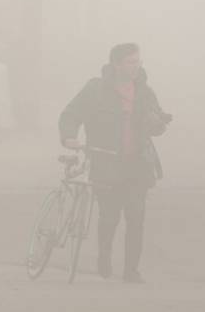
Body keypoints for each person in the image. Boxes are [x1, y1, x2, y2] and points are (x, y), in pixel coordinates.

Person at [59, 43, 171, 283]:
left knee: (136, 216)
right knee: (109, 215)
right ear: (116, 64)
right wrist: (69, 136)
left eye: (138, 61)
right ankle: (104, 256)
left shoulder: (144, 91)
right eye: (131, 62)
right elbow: (71, 114)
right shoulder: (95, 89)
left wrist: (158, 122)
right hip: (106, 161)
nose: (136, 66)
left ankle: (131, 270)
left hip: (137, 164)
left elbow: (156, 125)